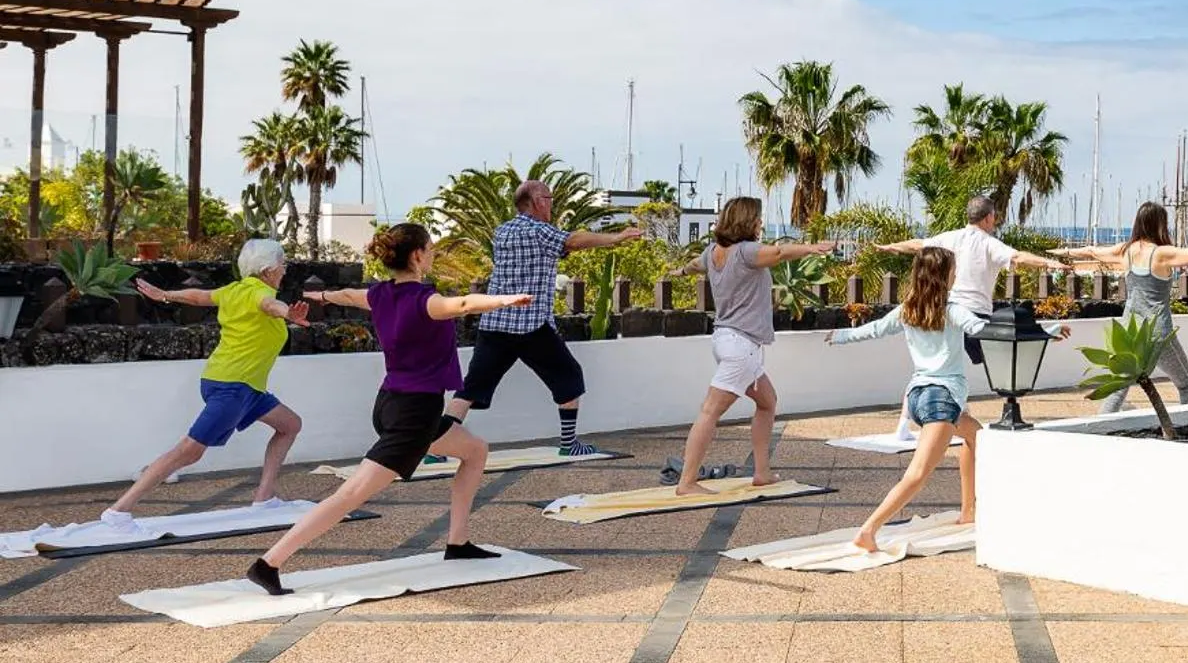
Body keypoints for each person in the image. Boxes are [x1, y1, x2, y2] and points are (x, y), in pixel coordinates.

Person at [245, 224, 533, 595]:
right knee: (349, 495)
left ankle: (458, 543)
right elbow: (461, 304)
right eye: (429, 248)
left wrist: (324, 295)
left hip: (395, 405)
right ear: (416, 255)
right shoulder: (424, 301)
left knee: (475, 451)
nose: (432, 254)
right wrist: (504, 300)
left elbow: (350, 294)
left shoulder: (380, 294)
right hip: (412, 415)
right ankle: (268, 563)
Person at [108, 239, 309, 523]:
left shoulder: (233, 290)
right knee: (189, 452)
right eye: (282, 265)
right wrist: (288, 312)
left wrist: (166, 294)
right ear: (268, 270)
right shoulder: (259, 293)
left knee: (290, 425)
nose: (284, 271)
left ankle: (264, 497)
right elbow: (270, 305)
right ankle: (118, 510)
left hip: (237, 385)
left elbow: (199, 297)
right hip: (234, 387)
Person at [450, 178, 645, 458]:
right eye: (549, 199)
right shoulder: (540, 231)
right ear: (538, 201)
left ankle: (436, 445)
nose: (552, 204)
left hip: (495, 323)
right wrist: (616, 237)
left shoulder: (502, 231)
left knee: (471, 387)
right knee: (569, 376)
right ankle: (569, 444)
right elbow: (573, 241)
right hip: (530, 324)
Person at [672, 197, 841, 498]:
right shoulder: (746, 252)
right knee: (710, 412)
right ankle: (686, 482)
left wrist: (681, 272)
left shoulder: (713, 252)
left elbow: (696, 265)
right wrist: (812, 248)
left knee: (768, 402)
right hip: (741, 347)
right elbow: (778, 252)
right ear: (747, 221)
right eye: (758, 219)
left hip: (726, 340)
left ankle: (761, 473)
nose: (761, 223)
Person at [824, 247, 993, 550]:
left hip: (918, 398)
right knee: (916, 475)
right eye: (953, 269)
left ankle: (969, 510)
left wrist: (840, 336)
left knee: (977, 438)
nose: (956, 273)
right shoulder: (952, 309)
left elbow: (873, 329)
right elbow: (987, 330)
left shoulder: (908, 308)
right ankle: (869, 529)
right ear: (944, 275)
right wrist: (1045, 331)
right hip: (940, 401)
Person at [872, 194, 1070, 435]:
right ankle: (973, 413)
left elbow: (918, 244)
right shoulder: (988, 243)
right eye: (994, 217)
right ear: (988, 218)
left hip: (946, 311)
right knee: (1009, 354)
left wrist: (890, 247)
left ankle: (904, 425)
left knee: (931, 369)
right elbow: (1018, 257)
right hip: (973, 316)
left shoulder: (948, 237)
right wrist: (1051, 264)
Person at [1059, 203, 1188, 413]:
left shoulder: (1124, 250)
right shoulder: (1161, 253)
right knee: (1186, 385)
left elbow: (1092, 252)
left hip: (1129, 331)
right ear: (1159, 224)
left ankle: (1102, 427)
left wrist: (1065, 251)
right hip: (1157, 332)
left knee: (1119, 387)